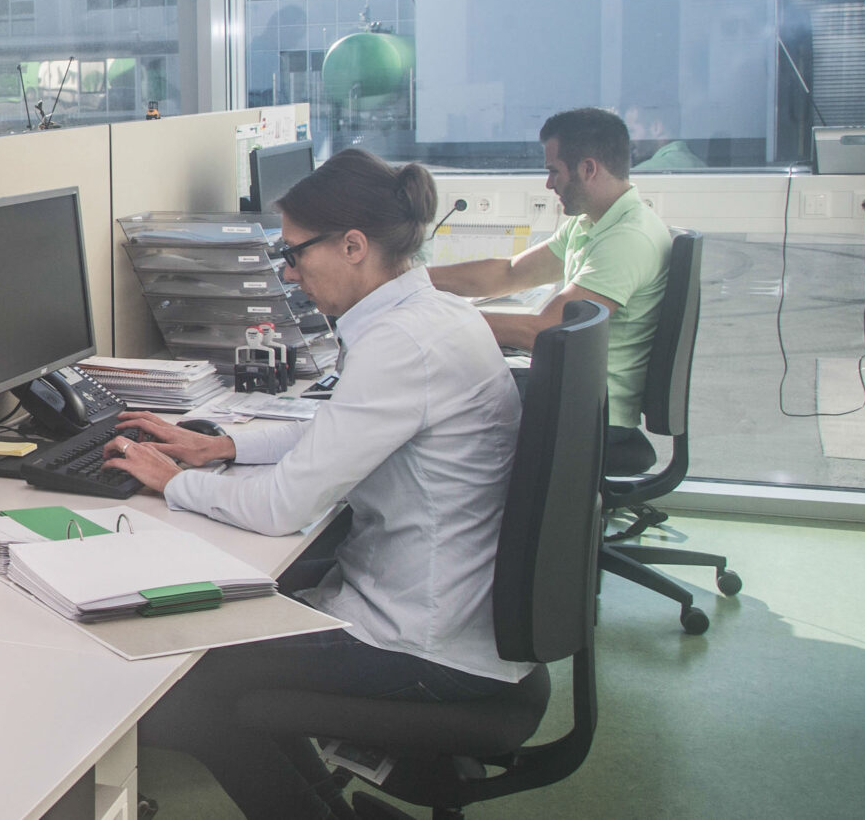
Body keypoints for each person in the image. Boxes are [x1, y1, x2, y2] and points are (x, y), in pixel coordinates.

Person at [103, 149, 525, 820]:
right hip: (448, 616)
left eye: (295, 254)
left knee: (182, 682)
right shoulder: (433, 315)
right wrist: (226, 444)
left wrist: (175, 482)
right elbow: (341, 426)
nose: (291, 273)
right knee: (223, 655)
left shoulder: (399, 345)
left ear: (353, 245)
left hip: (419, 643)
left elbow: (283, 506)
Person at [428, 106, 672, 472]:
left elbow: (546, 331)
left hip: (589, 411)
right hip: (572, 390)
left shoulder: (627, 239)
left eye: (553, 171)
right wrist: (415, 280)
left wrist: (433, 319)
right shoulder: (593, 223)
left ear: (587, 169)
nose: (548, 184)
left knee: (435, 404)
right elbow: (510, 273)